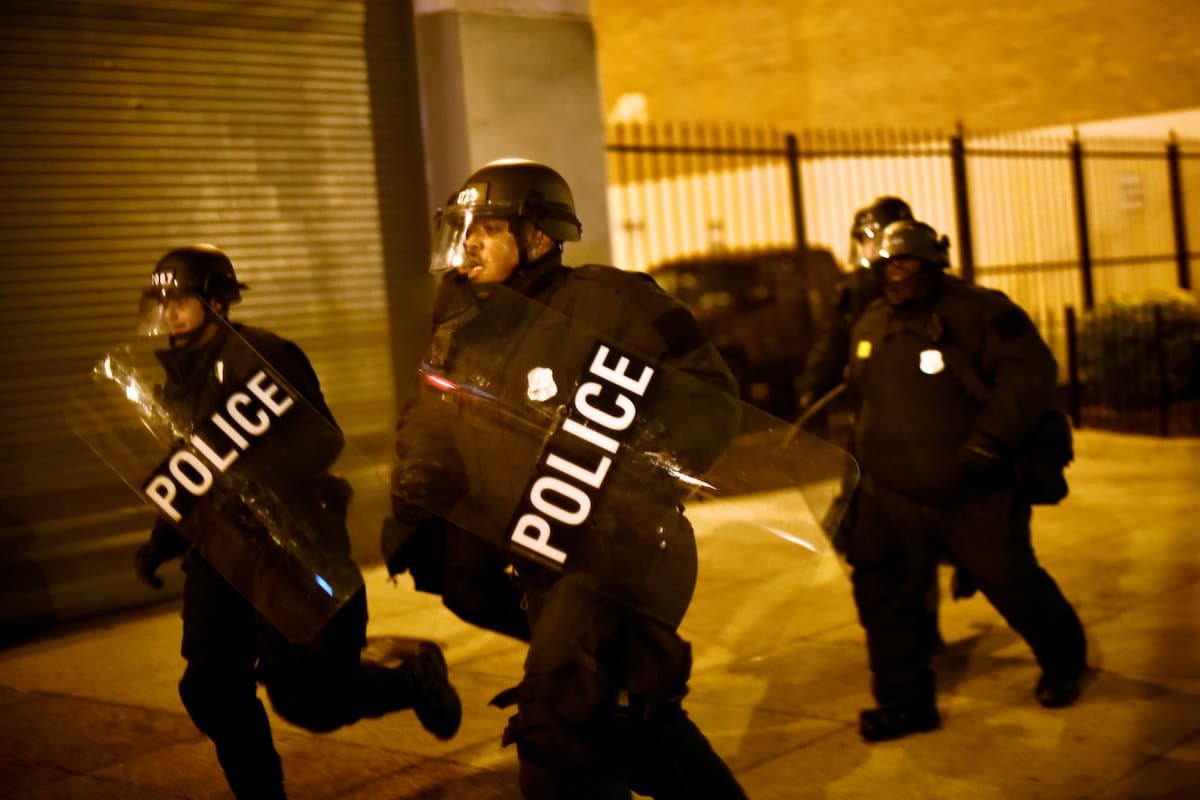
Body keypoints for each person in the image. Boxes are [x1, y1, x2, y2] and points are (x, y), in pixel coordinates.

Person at [385, 159, 749, 799]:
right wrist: (420, 473)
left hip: (623, 551)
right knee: (621, 724)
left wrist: (638, 481)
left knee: (558, 723)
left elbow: (709, 398)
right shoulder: (463, 325)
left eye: (487, 229)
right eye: (461, 229)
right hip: (540, 556)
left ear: (539, 237)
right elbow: (430, 418)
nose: (467, 244)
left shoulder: (612, 303)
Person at [131, 244, 462, 799]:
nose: (170, 312)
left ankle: (411, 681)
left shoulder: (264, 357)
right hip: (220, 550)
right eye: (162, 302)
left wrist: (255, 476)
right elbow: (195, 467)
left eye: (181, 299)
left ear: (216, 302)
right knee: (211, 687)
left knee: (309, 696)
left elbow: (320, 439)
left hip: (290, 543)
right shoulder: (180, 375)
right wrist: (163, 536)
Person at [841, 219, 1088, 742]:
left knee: (1009, 580)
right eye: (885, 266)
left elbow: (1030, 373)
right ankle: (905, 704)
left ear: (932, 263)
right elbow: (860, 394)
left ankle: (1064, 661)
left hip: (973, 487)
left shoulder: (982, 311)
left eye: (905, 263)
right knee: (886, 597)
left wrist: (991, 437)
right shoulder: (871, 321)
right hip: (890, 493)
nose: (894, 275)